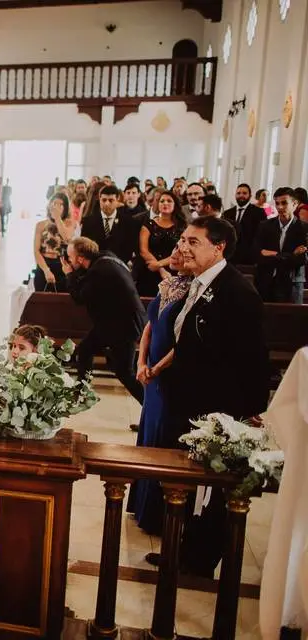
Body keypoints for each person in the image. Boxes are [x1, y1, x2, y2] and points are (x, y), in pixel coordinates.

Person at [158, 216, 270, 577]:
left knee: (212, 490)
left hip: (217, 409)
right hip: (188, 402)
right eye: (184, 240)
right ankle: (180, 549)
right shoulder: (200, 283)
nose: (184, 247)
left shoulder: (238, 292)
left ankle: (200, 560)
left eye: (194, 241)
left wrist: (249, 415)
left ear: (218, 247)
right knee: (187, 484)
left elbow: (253, 359)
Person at [127, 247, 194, 535]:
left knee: (163, 435)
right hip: (152, 369)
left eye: (184, 249)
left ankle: (155, 512)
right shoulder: (167, 285)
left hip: (169, 375)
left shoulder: (195, 292)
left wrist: (156, 369)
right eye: (177, 247)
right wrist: (142, 362)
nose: (178, 252)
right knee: (148, 432)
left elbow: (184, 344)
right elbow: (150, 328)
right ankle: (140, 503)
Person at [63, 237, 147, 404]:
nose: (69, 260)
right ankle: (81, 392)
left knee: (125, 373)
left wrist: (69, 275)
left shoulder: (99, 271)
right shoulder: (106, 257)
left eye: (70, 257)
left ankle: (151, 410)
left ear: (80, 258)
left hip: (123, 326)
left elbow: (80, 297)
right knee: (85, 350)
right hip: (114, 322)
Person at [255, 187, 307, 304]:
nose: (279, 207)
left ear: (295, 204)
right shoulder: (265, 226)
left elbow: (302, 259)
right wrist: (289, 255)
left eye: (284, 203)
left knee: (292, 321)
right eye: (277, 203)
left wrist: (272, 254)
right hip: (266, 283)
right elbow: (257, 254)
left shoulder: (303, 228)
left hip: (291, 284)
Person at [133, 190, 186, 296]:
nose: (165, 203)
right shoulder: (148, 224)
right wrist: (160, 269)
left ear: (175, 205)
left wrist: (159, 264)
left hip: (172, 269)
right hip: (149, 269)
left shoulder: (181, 227)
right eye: (162, 201)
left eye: (169, 201)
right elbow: (144, 250)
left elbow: (181, 250)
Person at [80, 184, 139, 264]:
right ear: (99, 199)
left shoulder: (128, 221)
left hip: (119, 266)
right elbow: (85, 247)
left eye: (111, 200)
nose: (107, 203)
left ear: (117, 200)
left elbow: (129, 246)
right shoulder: (88, 222)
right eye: (104, 200)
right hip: (95, 266)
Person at [33, 193, 75, 292]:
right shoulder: (41, 225)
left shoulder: (69, 223)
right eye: (54, 203)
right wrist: (46, 270)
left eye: (61, 204)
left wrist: (57, 218)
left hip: (62, 265)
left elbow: (67, 237)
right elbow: (36, 250)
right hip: (44, 264)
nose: (57, 207)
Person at [223, 183, 267, 265]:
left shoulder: (259, 212)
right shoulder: (227, 213)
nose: (241, 195)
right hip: (229, 257)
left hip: (248, 258)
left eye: (244, 193)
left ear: (250, 196)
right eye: (238, 193)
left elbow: (261, 236)